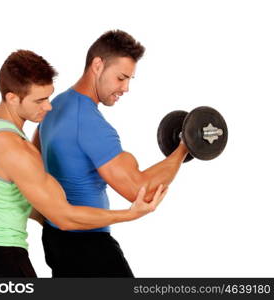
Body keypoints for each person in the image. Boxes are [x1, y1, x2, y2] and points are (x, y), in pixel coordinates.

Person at [0, 49, 167, 278]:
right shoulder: (16, 149)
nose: (48, 106)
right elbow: (65, 218)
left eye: (49, 96)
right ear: (12, 98)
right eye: (39, 100)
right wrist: (129, 214)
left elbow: (7, 195)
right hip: (1, 260)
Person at [37, 30, 189, 277]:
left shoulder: (55, 105)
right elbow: (140, 191)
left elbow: (37, 156)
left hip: (55, 239)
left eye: (130, 79)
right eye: (120, 78)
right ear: (98, 65)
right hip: (88, 247)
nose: (126, 88)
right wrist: (184, 146)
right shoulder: (89, 123)